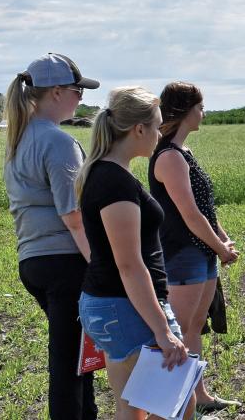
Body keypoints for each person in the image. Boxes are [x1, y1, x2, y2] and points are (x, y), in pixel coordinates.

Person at [75, 86, 194, 419]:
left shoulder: (108, 174)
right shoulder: (115, 183)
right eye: (156, 126)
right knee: (177, 406)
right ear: (138, 129)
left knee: (132, 409)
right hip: (125, 309)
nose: (159, 134)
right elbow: (129, 265)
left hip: (112, 307)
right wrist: (163, 331)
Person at [4, 53, 100, 419]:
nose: (82, 98)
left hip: (33, 262)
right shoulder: (58, 142)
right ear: (57, 92)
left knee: (80, 358)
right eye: (78, 91)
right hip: (65, 263)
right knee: (68, 367)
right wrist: (102, 266)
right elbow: (74, 216)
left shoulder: (19, 137)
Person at [149, 81, 241, 413]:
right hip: (182, 254)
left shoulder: (184, 153)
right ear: (186, 111)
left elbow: (205, 208)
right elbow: (188, 214)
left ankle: (197, 396)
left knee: (192, 330)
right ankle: (166, 405)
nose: (204, 113)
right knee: (177, 334)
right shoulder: (170, 158)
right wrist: (219, 247)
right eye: (200, 107)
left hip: (200, 251)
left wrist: (222, 238)